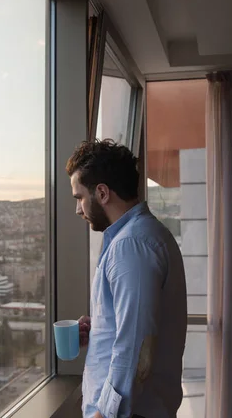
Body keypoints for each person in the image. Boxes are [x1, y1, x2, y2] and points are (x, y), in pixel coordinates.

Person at [67, 139, 188, 418]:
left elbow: (135, 348)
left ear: (102, 193)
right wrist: (100, 325)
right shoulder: (141, 237)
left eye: (79, 197)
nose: (78, 209)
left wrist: (104, 414)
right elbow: (134, 326)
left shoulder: (131, 246)